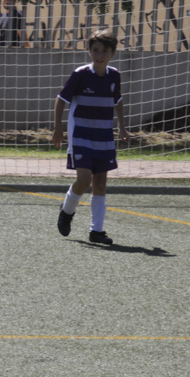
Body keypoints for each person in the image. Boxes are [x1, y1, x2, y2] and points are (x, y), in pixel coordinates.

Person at [52, 28, 131, 245]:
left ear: (112, 54)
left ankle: (96, 231)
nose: (99, 55)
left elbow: (118, 101)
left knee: (101, 183)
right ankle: (67, 211)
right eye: (95, 50)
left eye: (104, 51)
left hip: (104, 136)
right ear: (89, 52)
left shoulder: (114, 75)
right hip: (81, 135)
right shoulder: (81, 74)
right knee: (84, 179)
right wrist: (58, 128)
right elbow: (61, 99)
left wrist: (122, 128)